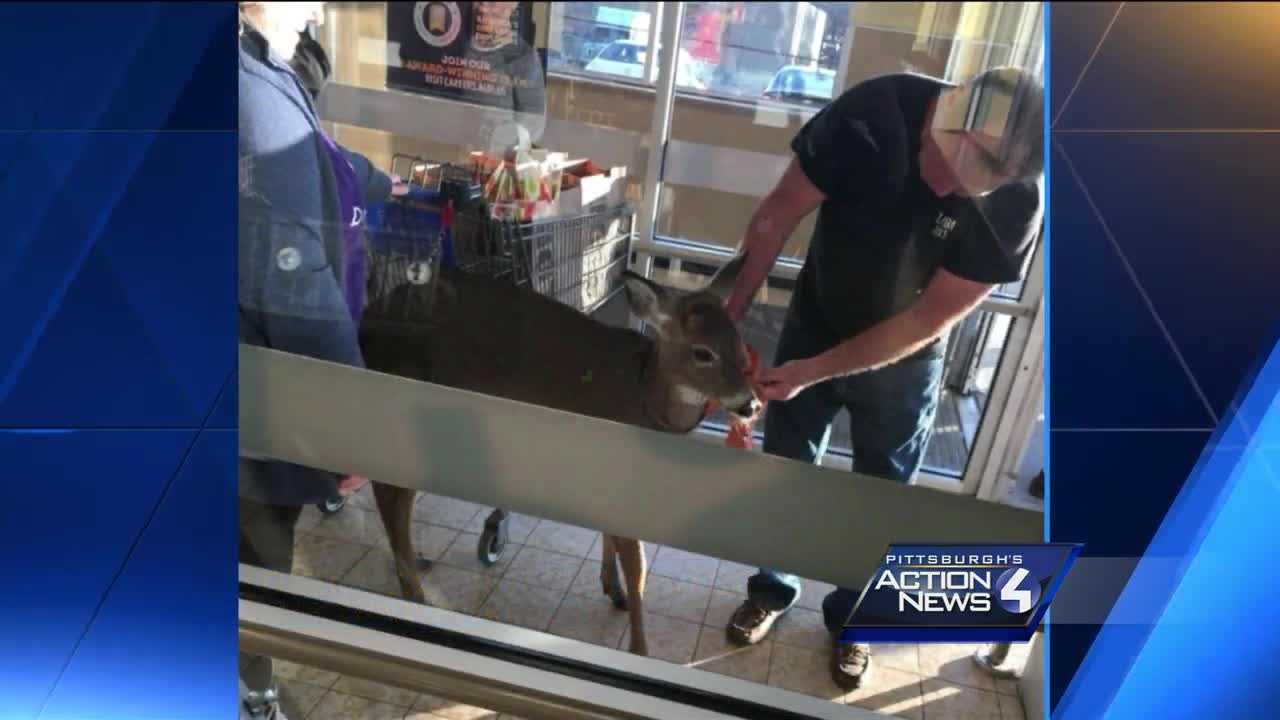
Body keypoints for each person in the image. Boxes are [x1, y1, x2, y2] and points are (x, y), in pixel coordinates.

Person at [720, 66, 1044, 690]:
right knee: (783, 467)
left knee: (882, 495)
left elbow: (927, 317)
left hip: (906, 356)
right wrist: (728, 324)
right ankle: (771, 588)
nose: (944, 185)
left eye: (966, 187)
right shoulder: (874, 113)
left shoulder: (1015, 203)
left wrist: (815, 373)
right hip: (817, 312)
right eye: (942, 164)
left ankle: (854, 622)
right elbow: (776, 215)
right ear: (945, 115)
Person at [237, 3, 404, 718]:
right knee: (259, 555)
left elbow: (315, 167)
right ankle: (252, 693)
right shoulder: (247, 85)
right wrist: (349, 420)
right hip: (254, 400)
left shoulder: (260, 66)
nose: (319, 8)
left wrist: (380, 180)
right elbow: (291, 273)